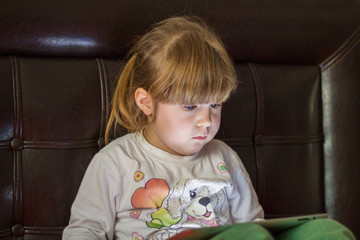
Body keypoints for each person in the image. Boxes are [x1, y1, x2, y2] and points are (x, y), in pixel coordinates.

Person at [63, 16, 355, 240]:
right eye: (190, 107)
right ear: (146, 102)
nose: (206, 120)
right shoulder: (115, 163)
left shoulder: (223, 157)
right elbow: (83, 231)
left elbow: (253, 223)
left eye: (215, 105)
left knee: (325, 231)